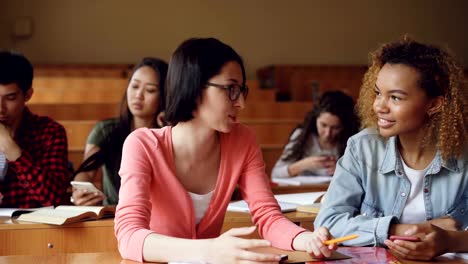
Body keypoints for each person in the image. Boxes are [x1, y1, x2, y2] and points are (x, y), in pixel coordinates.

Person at [115, 38, 337, 263]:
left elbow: (268, 217)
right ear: (193, 86)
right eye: (231, 89)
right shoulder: (141, 144)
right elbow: (129, 235)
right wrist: (208, 250)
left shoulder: (243, 140)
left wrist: (308, 239)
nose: (241, 102)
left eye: (242, 91)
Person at [314, 37, 468, 260]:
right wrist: (400, 230)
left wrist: (449, 241)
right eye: (378, 93)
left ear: (434, 104)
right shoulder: (361, 148)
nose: (378, 106)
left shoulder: (463, 155)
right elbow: (329, 222)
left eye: (395, 97)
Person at [71, 57, 168, 206]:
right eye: (134, 86)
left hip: (157, 217)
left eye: (150, 90)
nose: (138, 95)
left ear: (165, 96)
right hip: (112, 215)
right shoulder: (106, 130)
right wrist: (80, 192)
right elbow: (86, 172)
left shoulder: (171, 133)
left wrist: (168, 126)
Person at [0, 51, 69, 208]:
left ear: (27, 95)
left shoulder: (50, 132)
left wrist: (12, 150)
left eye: (10, 98)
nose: (0, 108)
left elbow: (54, 199)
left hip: (34, 229)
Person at [271, 91, 359, 178]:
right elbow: (275, 174)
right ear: (315, 119)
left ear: (345, 126)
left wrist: (343, 171)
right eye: (323, 125)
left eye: (336, 128)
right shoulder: (302, 135)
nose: (327, 134)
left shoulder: (354, 140)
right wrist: (304, 164)